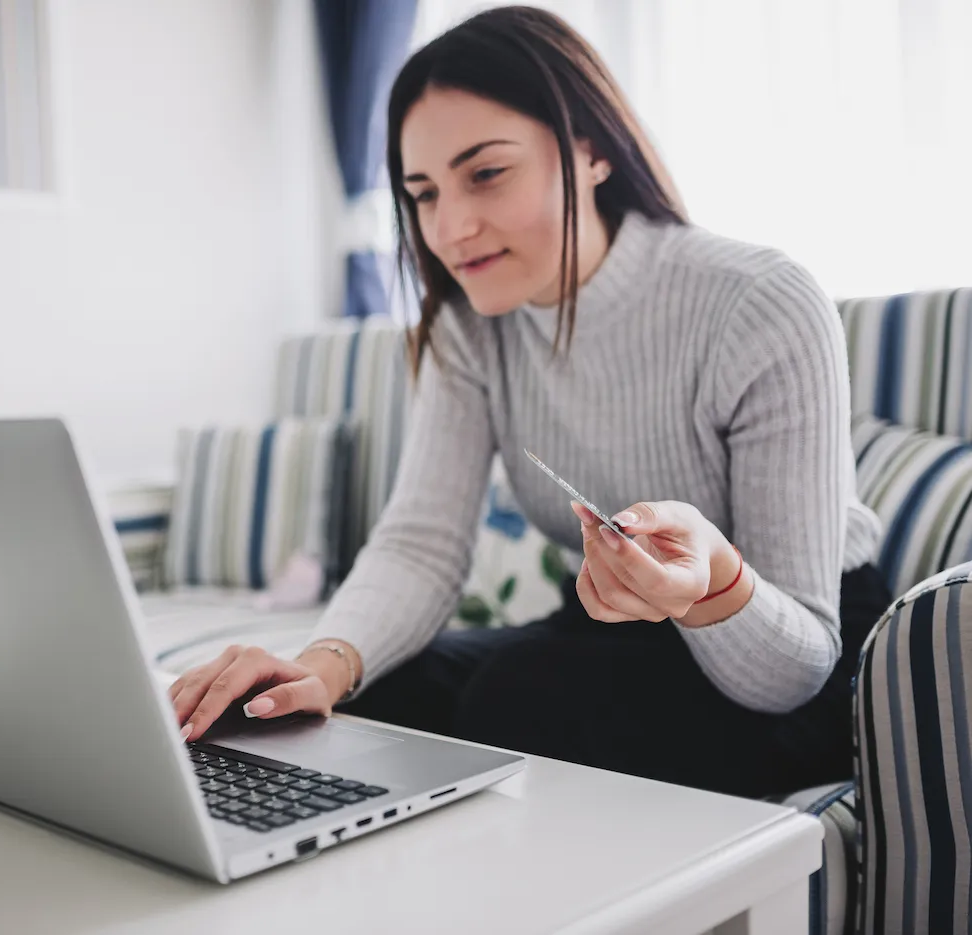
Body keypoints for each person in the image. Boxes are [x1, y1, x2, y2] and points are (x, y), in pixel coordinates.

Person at [167, 5, 889, 798]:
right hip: (618, 637)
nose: (450, 228)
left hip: (789, 644)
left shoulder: (759, 302)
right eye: (422, 193)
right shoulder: (470, 326)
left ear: (591, 151)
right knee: (372, 700)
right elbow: (421, 541)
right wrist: (321, 664)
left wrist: (713, 579)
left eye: (485, 174)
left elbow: (793, 669)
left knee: (521, 693)